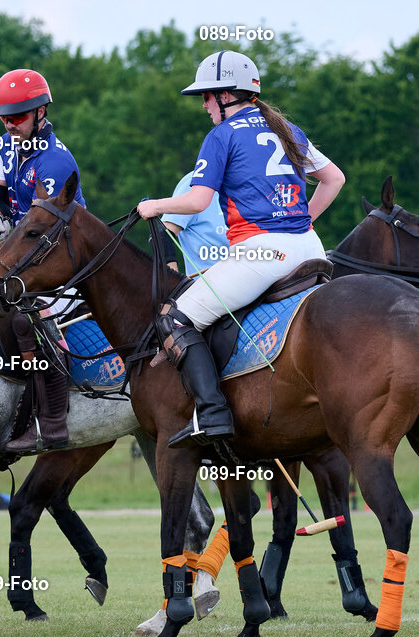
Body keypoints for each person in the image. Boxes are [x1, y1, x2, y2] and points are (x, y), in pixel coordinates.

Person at [138, 51, 345, 448]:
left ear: (227, 95)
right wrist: (305, 219)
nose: (203, 106)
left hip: (261, 255)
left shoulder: (222, 135)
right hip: (311, 249)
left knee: (174, 319)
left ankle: (212, 415)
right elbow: (334, 179)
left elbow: (198, 201)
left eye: (207, 96)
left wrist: (155, 206)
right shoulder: (286, 127)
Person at [0, 68, 85, 453]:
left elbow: (44, 227)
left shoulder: (54, 162)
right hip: (24, 250)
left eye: (17, 116)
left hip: (64, 256)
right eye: (4, 117)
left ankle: (52, 423)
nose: (9, 124)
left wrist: (8, 244)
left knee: (27, 319)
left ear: (41, 112)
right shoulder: (6, 148)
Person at [160, 170, 228, 275]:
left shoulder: (254, 182)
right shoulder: (193, 182)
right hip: (208, 286)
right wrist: (173, 280)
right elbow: (163, 235)